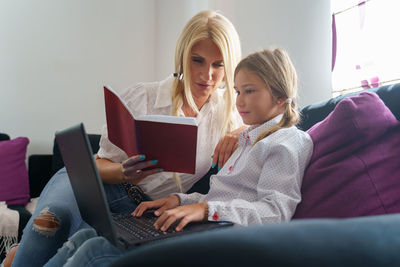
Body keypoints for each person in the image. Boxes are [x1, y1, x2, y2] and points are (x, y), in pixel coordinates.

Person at [7, 10, 243, 267]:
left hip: (142, 211)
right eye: (197, 60)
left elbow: (272, 126)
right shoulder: (143, 97)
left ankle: (16, 257)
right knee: (49, 222)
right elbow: (96, 165)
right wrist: (123, 172)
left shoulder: (230, 115)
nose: (207, 75)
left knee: (77, 253)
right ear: (182, 57)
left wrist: (239, 132)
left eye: (218, 64)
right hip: (98, 187)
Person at [40, 48, 314, 266]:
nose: (239, 101)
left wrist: (206, 210)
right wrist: (180, 200)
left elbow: (275, 213)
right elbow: (217, 198)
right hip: (208, 225)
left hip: (225, 237)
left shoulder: (287, 142)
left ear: (280, 96)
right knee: (89, 235)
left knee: (98, 250)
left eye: (249, 91)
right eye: (238, 91)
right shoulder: (247, 141)